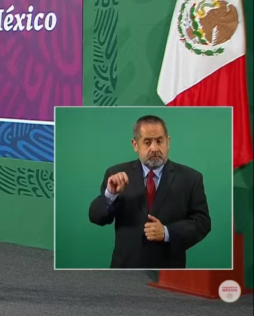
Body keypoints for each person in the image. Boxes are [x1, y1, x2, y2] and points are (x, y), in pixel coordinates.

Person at [89, 115, 212, 269]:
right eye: (147, 142)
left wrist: (167, 232)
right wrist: (110, 194)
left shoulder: (191, 178)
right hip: (125, 269)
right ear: (135, 145)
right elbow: (96, 217)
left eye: (159, 141)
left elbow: (202, 222)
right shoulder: (116, 174)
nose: (154, 148)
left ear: (168, 142)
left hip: (169, 271)